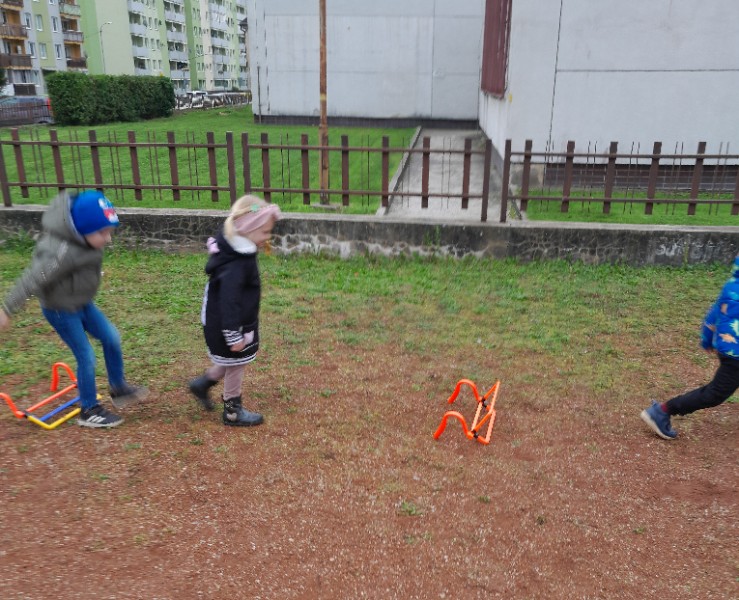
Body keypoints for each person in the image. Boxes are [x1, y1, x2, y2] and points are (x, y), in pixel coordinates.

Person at [0, 190, 147, 428]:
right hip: (61, 310)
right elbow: (32, 279)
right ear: (81, 229)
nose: (108, 239)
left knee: (111, 337)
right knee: (86, 356)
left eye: (110, 232)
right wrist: (7, 309)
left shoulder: (87, 238)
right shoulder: (59, 252)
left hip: (82, 303)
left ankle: (118, 388)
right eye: (103, 233)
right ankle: (89, 409)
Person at [189, 195, 280, 426]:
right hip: (227, 324)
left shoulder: (239, 252)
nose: (268, 237)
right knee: (236, 363)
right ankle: (232, 411)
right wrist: (233, 334)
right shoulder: (236, 264)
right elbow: (228, 301)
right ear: (248, 229)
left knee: (232, 360)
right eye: (264, 232)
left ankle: (203, 384)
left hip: (235, 322)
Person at [641, 254, 739, 440]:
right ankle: (662, 411)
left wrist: (707, 339)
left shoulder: (731, 286)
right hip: (735, 355)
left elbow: (713, 314)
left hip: (728, 349)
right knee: (715, 394)